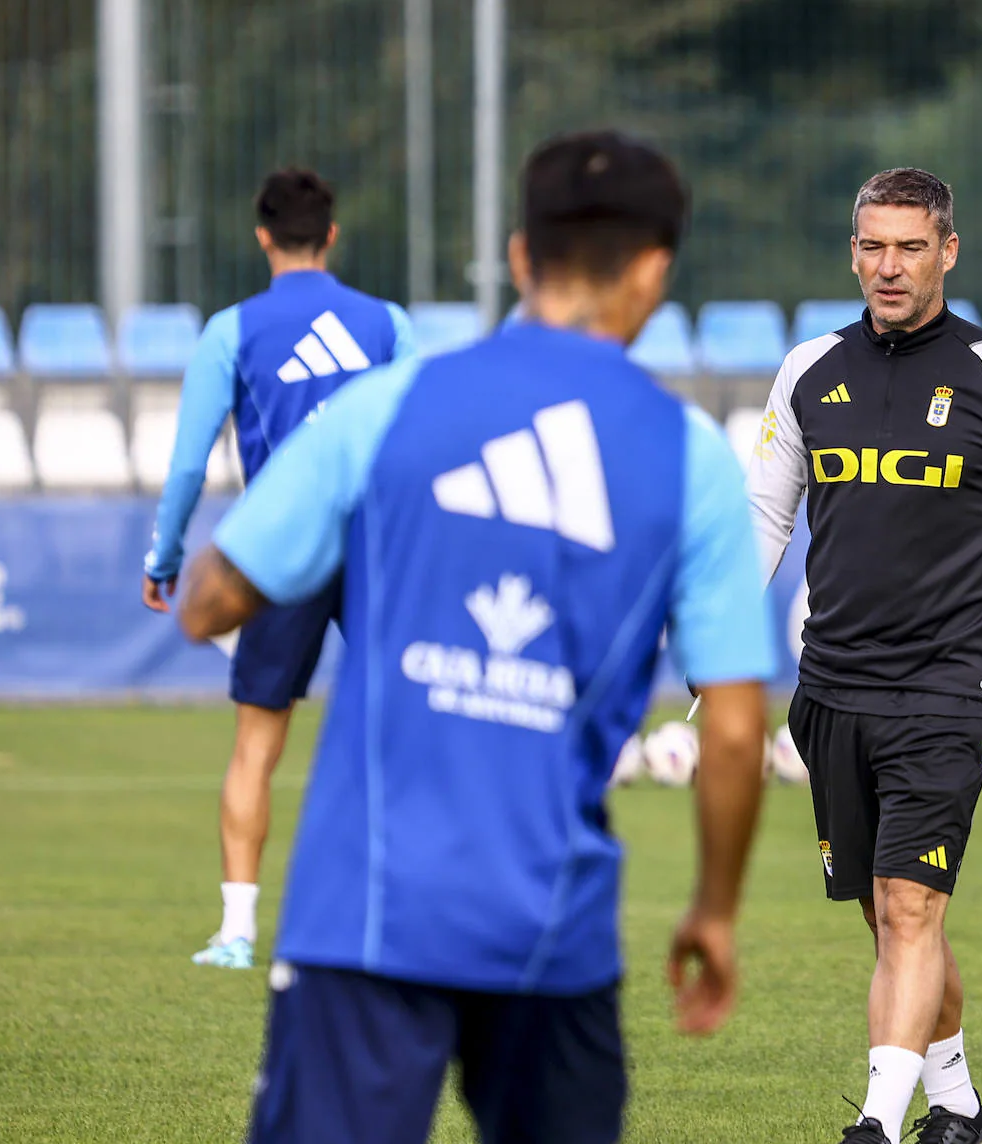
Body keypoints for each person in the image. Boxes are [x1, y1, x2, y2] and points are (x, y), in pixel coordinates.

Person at [175, 129, 775, 1144]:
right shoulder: (693, 460)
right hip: (553, 929)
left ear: (517, 256)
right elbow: (730, 735)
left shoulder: (385, 408)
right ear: (654, 270)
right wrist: (712, 910)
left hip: (365, 914)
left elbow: (208, 603)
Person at [747, 168, 982, 1144]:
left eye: (910, 246)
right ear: (852, 251)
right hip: (831, 690)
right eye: (873, 246)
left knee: (911, 906)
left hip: (949, 689)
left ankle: (875, 1126)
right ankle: (963, 1117)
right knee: (892, 919)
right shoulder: (808, 369)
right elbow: (763, 521)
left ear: (949, 250)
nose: (889, 265)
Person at [142, 168, 416, 969]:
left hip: (277, 550)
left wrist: (165, 557)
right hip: (374, 547)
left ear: (262, 235)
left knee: (257, 743)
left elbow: (190, 464)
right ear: (331, 235)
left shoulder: (232, 330)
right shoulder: (388, 322)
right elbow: (429, 428)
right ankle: (395, 919)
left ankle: (236, 932)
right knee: (395, 735)